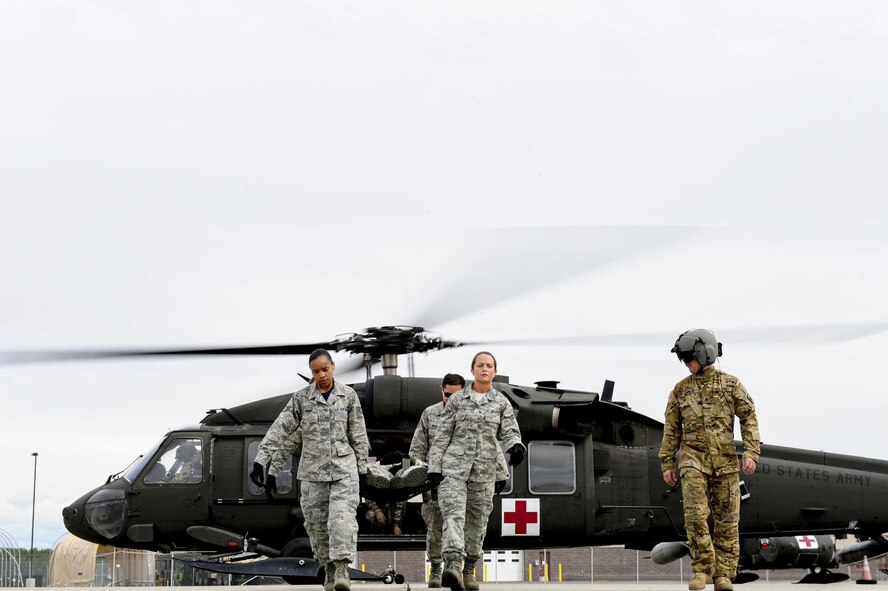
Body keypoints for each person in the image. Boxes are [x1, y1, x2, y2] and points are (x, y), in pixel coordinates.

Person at [250, 349, 370, 591]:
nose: (321, 375)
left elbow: (358, 434)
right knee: (316, 525)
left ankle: (342, 569)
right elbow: (282, 429)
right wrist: (261, 460)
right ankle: (326, 565)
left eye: (325, 369)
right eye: (316, 371)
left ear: (333, 367)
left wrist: (362, 470)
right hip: (312, 474)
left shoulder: (348, 396)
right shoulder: (302, 399)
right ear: (311, 373)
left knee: (342, 521)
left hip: (343, 471)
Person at [658, 329, 760, 591]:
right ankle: (702, 569)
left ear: (703, 354)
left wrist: (751, 452)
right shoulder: (680, 391)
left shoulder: (731, 385)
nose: (686, 364)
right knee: (694, 514)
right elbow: (671, 430)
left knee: (728, 520)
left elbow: (748, 416)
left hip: (725, 461)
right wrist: (667, 462)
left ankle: (723, 575)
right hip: (693, 460)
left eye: (688, 358)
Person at [427, 353, 525, 591]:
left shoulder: (501, 404)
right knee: (453, 517)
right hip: (454, 472)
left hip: (485, 473)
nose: (484, 369)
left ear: (494, 371)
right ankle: (452, 565)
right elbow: (441, 436)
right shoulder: (458, 400)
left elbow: (510, 433)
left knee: (477, 524)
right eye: (480, 365)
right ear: (472, 370)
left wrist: (516, 447)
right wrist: (434, 468)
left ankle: (469, 570)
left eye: (489, 366)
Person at [409, 373, 466, 588]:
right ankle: (435, 569)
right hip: (435, 482)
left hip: (461, 481)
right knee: (435, 527)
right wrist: (423, 471)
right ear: (441, 389)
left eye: (456, 395)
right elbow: (416, 450)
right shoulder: (430, 414)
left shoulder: (470, 414)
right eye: (447, 394)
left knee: (458, 525)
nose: (451, 400)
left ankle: (458, 569)